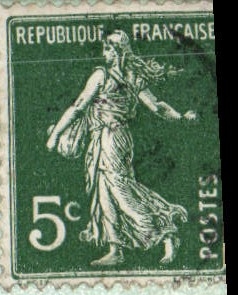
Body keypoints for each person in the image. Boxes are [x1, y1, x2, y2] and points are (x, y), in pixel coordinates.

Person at [45, 31, 197, 267]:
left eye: (106, 49)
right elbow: (157, 107)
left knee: (119, 190)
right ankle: (116, 249)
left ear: (116, 51)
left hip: (111, 138)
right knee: (105, 192)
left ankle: (166, 230)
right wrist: (181, 117)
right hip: (109, 138)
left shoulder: (101, 75)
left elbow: (78, 106)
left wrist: (55, 135)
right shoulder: (133, 76)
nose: (103, 53)